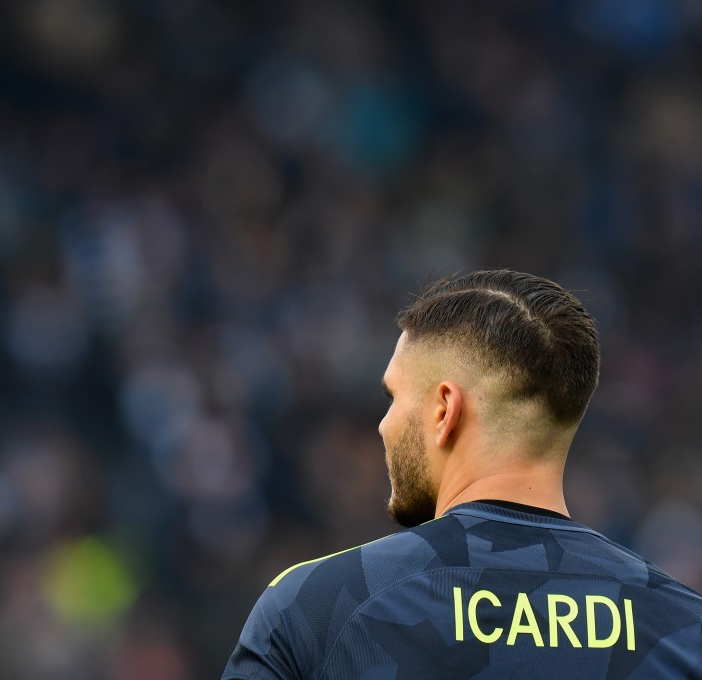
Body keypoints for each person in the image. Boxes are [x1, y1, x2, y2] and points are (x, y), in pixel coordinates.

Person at [222, 269, 702, 679]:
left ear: (444, 410)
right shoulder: (684, 628)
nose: (383, 425)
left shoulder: (315, 608)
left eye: (394, 399)